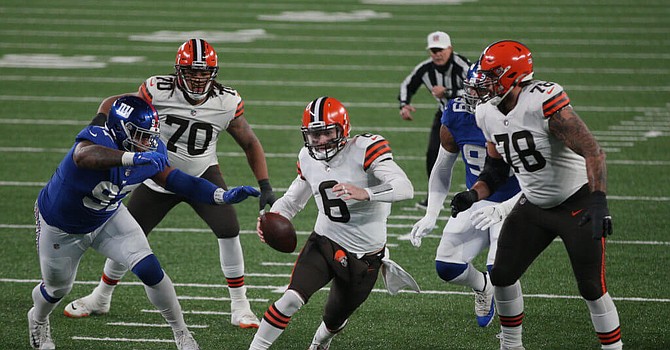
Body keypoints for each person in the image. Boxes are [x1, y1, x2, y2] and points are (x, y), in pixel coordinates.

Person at [63, 38, 275, 329]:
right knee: (130, 235)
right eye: (192, 71)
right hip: (157, 173)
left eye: (204, 72)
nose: (198, 78)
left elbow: (249, 142)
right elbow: (114, 103)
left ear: (214, 72)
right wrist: (98, 123)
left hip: (202, 172)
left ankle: (240, 305)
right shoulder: (156, 89)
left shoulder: (226, 101)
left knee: (228, 229)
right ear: (178, 71)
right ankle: (102, 295)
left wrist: (265, 185)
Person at [29, 96, 259, 350]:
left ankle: (181, 334)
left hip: (108, 216)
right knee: (57, 289)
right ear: (121, 130)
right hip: (61, 227)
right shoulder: (97, 139)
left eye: (150, 136)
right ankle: (38, 319)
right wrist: (130, 158)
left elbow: (177, 180)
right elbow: (83, 155)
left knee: (150, 269)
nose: (148, 143)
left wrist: (220, 196)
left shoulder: (149, 150)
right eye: (141, 135)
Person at [450, 40, 622, 350]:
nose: (483, 82)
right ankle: (512, 346)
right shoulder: (486, 113)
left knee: (591, 287)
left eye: (491, 75)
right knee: (502, 275)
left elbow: (593, 151)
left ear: (513, 74)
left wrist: (598, 201)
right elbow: (495, 170)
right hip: (533, 204)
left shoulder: (542, 100)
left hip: (575, 202)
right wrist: (473, 195)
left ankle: (613, 347)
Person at [248, 97, 417, 350]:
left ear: (343, 129)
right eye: (314, 135)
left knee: (334, 320)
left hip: (365, 257)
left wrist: (366, 193)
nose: (321, 140)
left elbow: (406, 188)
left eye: (327, 133)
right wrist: (273, 217)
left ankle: (319, 342)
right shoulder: (307, 156)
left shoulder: (365, 149)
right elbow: (294, 199)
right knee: (290, 300)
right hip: (325, 242)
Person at [409, 63, 521, 328]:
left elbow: (537, 175)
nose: (474, 95)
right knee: (447, 266)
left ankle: (511, 338)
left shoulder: (519, 117)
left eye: (482, 90)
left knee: (502, 271)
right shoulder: (457, 114)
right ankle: (482, 286)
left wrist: (505, 208)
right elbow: (442, 166)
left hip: (515, 201)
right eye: (473, 88)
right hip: (478, 198)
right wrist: (431, 213)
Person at [398, 31, 471, 208]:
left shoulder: (463, 66)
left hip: (471, 114)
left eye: (441, 50)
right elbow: (408, 84)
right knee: (433, 153)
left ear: (450, 49)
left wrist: (448, 92)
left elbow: (477, 89)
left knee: (474, 152)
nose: (437, 54)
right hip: (445, 114)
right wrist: (404, 104)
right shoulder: (426, 69)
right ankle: (434, 198)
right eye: (433, 50)